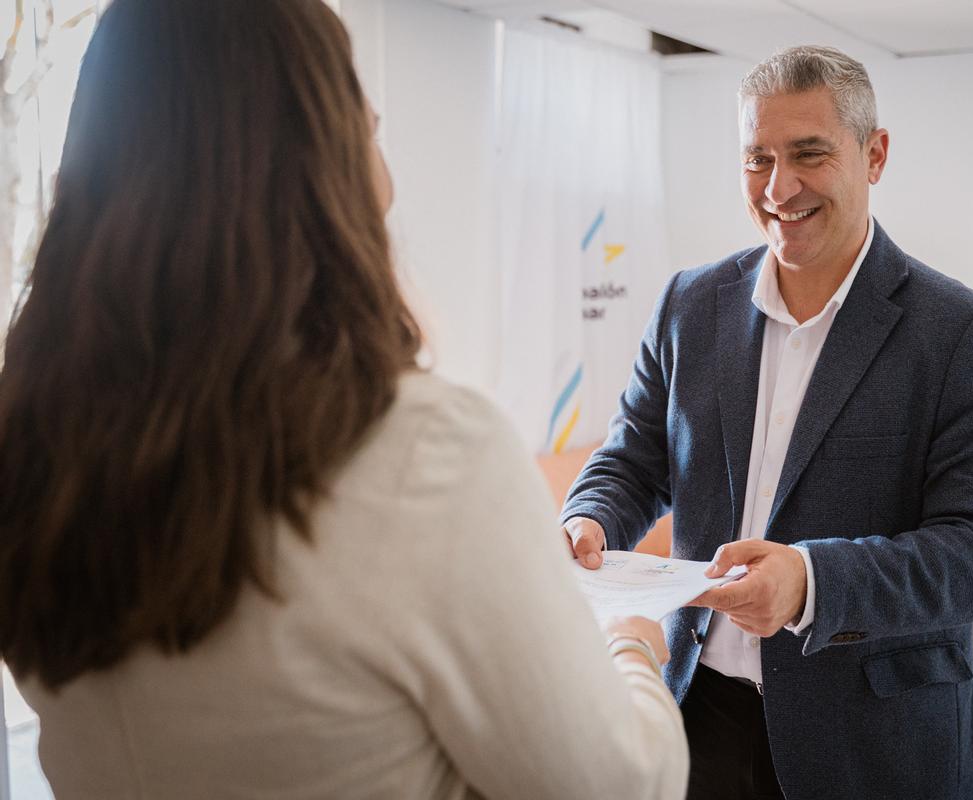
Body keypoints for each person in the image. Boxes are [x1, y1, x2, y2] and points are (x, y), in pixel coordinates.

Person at [0, 2, 687, 798]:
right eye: (364, 117)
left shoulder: (33, 451)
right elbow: (621, 786)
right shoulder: (426, 454)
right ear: (322, 164)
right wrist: (630, 643)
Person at [562, 46, 973, 800]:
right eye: (758, 159)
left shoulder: (965, 334)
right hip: (698, 712)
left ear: (874, 155)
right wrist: (588, 517)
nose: (780, 188)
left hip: (876, 740)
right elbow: (633, 459)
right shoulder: (689, 304)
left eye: (809, 155)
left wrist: (813, 581)